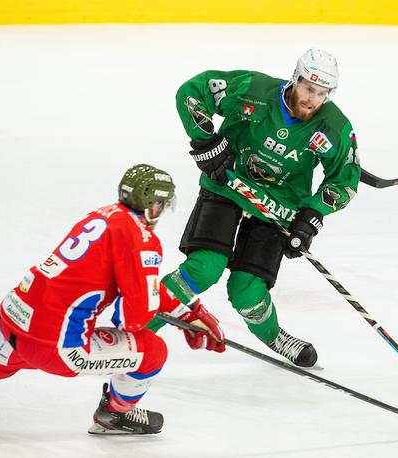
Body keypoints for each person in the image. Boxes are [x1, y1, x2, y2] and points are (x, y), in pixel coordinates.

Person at [0, 164, 225, 435]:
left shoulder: (102, 216)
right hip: (56, 346)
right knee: (153, 351)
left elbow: (134, 286)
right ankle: (114, 415)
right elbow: (132, 320)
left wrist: (188, 310)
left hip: (15, 320)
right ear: (153, 204)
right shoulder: (142, 238)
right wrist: (184, 319)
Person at [149, 48, 360, 368]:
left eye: (321, 93)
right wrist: (206, 141)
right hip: (229, 185)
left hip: (279, 207)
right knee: (204, 269)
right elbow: (193, 92)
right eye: (307, 88)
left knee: (246, 291)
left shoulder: (334, 127)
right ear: (295, 79)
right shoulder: (253, 89)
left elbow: (344, 181)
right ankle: (139, 328)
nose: (312, 99)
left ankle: (275, 336)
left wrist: (311, 216)